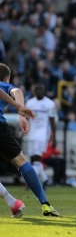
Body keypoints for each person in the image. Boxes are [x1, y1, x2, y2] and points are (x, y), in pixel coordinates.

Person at [0, 63, 60, 217]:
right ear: (7, 78)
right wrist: (21, 113)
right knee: (21, 162)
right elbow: (18, 91)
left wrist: (19, 109)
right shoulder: (6, 86)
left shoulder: (3, 85)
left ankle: (13, 202)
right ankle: (44, 204)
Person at [25, 84, 57, 189]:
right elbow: (25, 118)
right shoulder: (30, 103)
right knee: (32, 159)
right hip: (31, 133)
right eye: (36, 90)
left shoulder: (49, 103)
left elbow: (52, 121)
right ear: (34, 91)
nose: (38, 91)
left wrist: (54, 137)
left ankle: (31, 183)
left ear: (44, 91)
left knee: (37, 158)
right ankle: (45, 180)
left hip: (42, 133)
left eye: (41, 90)